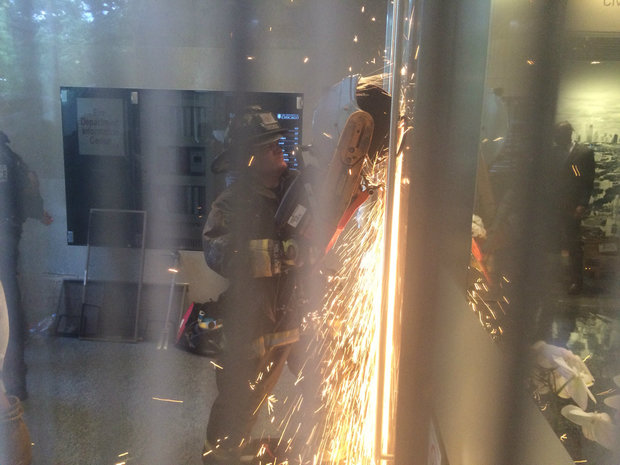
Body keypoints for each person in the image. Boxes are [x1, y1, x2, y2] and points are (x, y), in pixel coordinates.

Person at [202, 106, 319, 465]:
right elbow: (217, 252)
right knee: (238, 399)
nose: (277, 147)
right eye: (266, 144)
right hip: (252, 320)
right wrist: (279, 254)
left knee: (325, 385)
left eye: (277, 141)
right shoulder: (232, 203)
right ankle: (222, 455)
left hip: (302, 314)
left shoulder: (304, 190)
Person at [0, 130, 53, 400]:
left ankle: (14, 388)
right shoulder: (11, 157)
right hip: (8, 240)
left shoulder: (5, 160)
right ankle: (16, 386)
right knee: (10, 308)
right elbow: (28, 191)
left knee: (8, 310)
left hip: (4, 242)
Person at [552, 121, 595, 295]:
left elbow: (587, 181)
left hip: (571, 206)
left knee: (573, 244)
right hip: (555, 205)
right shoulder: (555, 153)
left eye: (559, 135)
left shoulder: (584, 153)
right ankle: (558, 279)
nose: (557, 139)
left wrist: (582, 204)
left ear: (567, 134)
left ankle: (576, 281)